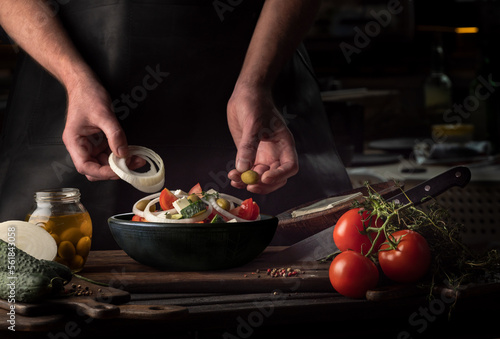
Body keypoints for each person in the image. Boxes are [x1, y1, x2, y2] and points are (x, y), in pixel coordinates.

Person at [0, 0, 352, 249]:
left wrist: (256, 81)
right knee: (36, 272)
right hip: (64, 95)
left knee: (303, 279)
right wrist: (75, 79)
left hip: (258, 81)